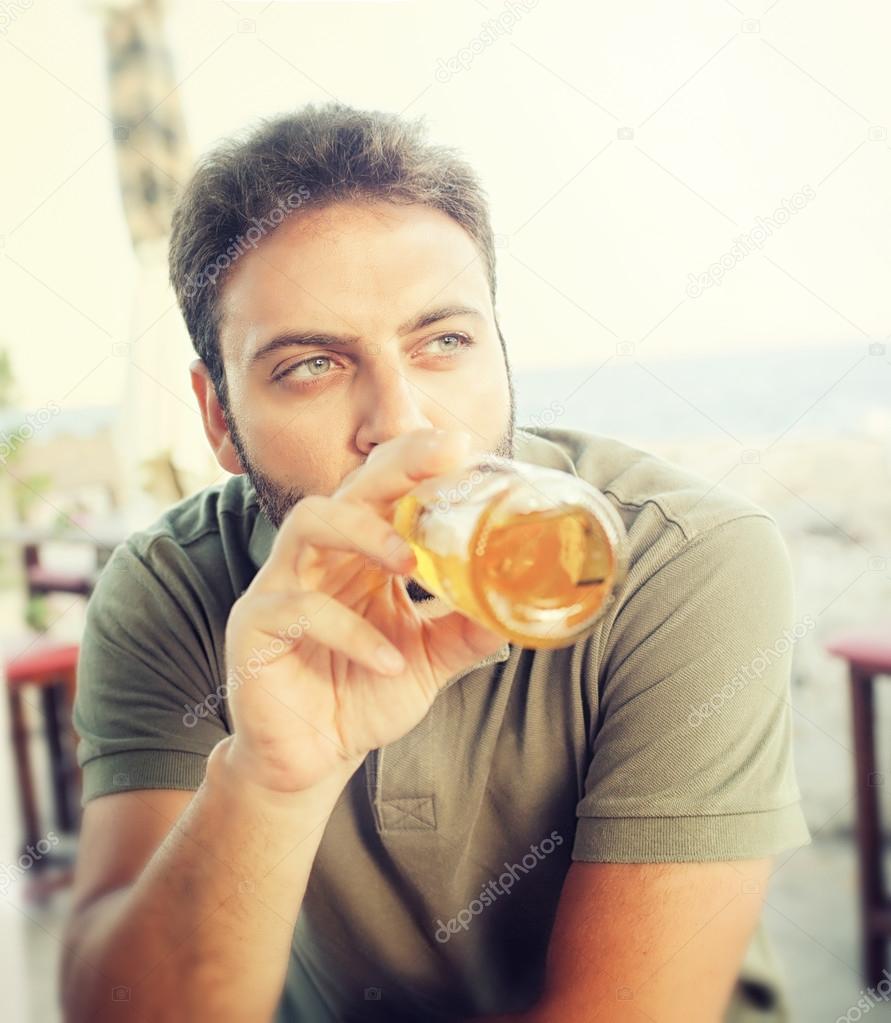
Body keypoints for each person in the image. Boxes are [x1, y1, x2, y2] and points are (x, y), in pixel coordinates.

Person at [61, 102, 811, 1023]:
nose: (403, 421)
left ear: (498, 346)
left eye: (443, 341)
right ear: (218, 418)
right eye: (310, 365)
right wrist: (271, 777)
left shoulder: (679, 564)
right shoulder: (170, 591)